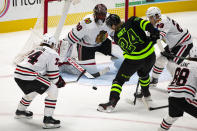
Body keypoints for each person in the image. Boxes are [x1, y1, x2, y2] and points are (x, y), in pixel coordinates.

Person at [97, 14, 160, 112]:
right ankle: (147, 95)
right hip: (150, 56)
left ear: (113, 26)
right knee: (144, 75)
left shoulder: (116, 37)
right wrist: (154, 33)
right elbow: (146, 24)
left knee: (118, 81)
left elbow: (128, 50)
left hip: (134, 61)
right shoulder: (132, 20)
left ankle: (112, 102)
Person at [14, 33, 65, 129]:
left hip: (18, 73)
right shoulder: (53, 53)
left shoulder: (36, 49)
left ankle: (20, 110)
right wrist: (59, 82)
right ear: (53, 44)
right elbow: (54, 77)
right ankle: (48, 120)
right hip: (29, 75)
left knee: (35, 88)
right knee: (53, 89)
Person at [58, 3, 124, 75]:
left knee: (122, 57)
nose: (101, 18)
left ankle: (120, 64)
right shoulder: (86, 23)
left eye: (103, 16)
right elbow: (68, 40)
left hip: (102, 43)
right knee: (90, 72)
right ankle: (66, 66)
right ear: (94, 14)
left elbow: (114, 34)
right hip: (86, 47)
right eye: (99, 15)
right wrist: (62, 58)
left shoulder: (111, 20)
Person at [146, 7, 193, 87]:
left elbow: (157, 38)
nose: (149, 19)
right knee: (160, 60)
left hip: (183, 43)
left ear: (156, 16)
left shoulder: (163, 22)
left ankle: (178, 84)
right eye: (149, 17)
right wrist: (162, 50)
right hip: (174, 43)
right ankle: (154, 80)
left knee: (171, 64)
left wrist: (145, 45)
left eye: (150, 17)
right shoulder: (156, 22)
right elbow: (155, 38)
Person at [158, 47, 197, 131]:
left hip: (172, 97)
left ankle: (161, 129)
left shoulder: (182, 64)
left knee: (172, 116)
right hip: (185, 98)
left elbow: (170, 67)